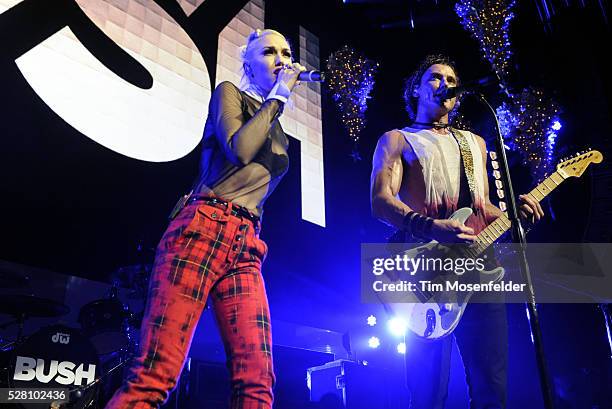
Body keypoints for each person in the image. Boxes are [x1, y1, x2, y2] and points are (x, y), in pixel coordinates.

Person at [105, 29, 306, 409]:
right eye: (268, 52)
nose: (280, 58)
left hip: (246, 243)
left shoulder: (275, 126)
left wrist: (276, 104)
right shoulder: (229, 94)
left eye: (285, 51)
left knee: (257, 378)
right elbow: (240, 150)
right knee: (157, 374)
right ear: (248, 62)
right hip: (202, 227)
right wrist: (279, 95)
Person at [370, 55, 544, 409]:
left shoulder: (475, 144)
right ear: (416, 89)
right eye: (435, 77)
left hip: (481, 271)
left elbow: (483, 207)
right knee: (429, 391)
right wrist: (431, 225)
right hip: (427, 274)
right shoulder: (398, 140)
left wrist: (516, 214)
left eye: (451, 77)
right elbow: (381, 200)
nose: (445, 82)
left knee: (491, 387)